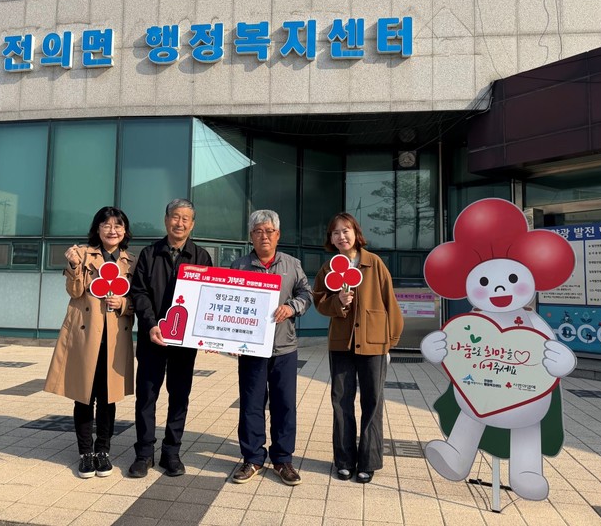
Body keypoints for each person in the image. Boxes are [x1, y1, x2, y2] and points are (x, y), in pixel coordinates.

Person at [44, 206, 136, 479]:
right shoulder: (83, 254)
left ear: (125, 231)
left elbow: (138, 301)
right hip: (86, 336)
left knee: (108, 398)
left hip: (114, 338)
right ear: (97, 229)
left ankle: (103, 451)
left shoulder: (130, 262)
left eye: (118, 225)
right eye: (106, 225)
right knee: (84, 396)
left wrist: (123, 304)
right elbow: (74, 291)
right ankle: (85, 453)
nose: (112, 230)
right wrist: (74, 266)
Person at [312, 212, 404, 484]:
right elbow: (319, 301)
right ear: (330, 239)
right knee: (341, 401)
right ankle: (343, 460)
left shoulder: (373, 263)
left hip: (374, 342)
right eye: (335, 232)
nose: (341, 236)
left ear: (356, 233)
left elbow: (390, 301)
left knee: (372, 401)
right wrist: (338, 302)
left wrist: (391, 341)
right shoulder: (328, 268)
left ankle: (368, 461)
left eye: (346, 230)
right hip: (341, 343)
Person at [128, 199, 213, 478]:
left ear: (192, 224)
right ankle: (144, 454)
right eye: (175, 217)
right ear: (166, 220)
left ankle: (171, 453)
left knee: (179, 396)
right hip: (153, 338)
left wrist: (209, 335)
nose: (180, 223)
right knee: (146, 396)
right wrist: (151, 325)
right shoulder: (149, 254)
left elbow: (207, 298)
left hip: (184, 343)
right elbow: (139, 292)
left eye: (186, 218)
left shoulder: (201, 257)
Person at [229, 210, 312, 486]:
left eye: (269, 231)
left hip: (284, 347)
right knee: (251, 405)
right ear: (250, 236)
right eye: (258, 231)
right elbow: (228, 303)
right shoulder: (239, 266)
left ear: (278, 235)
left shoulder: (292, 264)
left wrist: (292, 307)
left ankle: (282, 459)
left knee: (284, 405)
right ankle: (252, 458)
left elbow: (306, 294)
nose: (263, 236)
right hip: (251, 349)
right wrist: (229, 339)